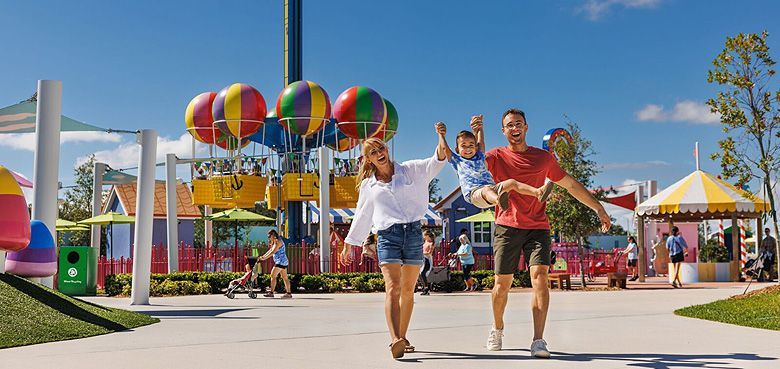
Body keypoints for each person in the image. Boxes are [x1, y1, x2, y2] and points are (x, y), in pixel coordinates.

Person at [481, 109, 611, 358]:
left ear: (526, 127)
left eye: (519, 124)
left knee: (540, 277)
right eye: (510, 125)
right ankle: (497, 328)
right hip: (507, 225)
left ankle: (538, 340)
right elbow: (474, 162)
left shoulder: (543, 158)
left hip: (538, 226)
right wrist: (477, 133)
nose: (515, 128)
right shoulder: (496, 156)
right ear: (503, 131)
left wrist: (598, 207)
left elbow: (570, 184)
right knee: (501, 284)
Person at [340, 134, 446, 359]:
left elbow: (435, 161)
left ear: (387, 150)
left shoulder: (410, 170)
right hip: (388, 236)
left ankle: (403, 338)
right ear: (368, 159)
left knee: (408, 290)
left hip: (414, 234)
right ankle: (394, 338)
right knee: (393, 287)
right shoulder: (369, 186)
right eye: (373, 152)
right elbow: (362, 215)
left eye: (381, 149)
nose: (379, 154)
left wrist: (441, 137)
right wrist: (349, 244)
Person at [436, 118, 543, 210]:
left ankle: (537, 192)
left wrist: (480, 128)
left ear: (475, 147)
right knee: (487, 190)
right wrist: (441, 135)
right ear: (457, 150)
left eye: (471, 145)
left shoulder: (479, 156)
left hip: (492, 189)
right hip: (474, 194)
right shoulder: (458, 161)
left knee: (512, 182)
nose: (468, 148)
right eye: (464, 146)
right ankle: (499, 200)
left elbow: (481, 142)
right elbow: (445, 149)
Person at [259, 230, 292, 298]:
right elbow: (270, 250)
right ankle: (288, 293)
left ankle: (271, 292)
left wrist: (264, 258)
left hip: (280, 261)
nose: (268, 238)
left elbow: (273, 252)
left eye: (269, 236)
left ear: (273, 235)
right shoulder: (274, 242)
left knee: (273, 275)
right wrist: (263, 256)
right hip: (282, 261)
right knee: (285, 277)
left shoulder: (278, 241)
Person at [419, 230, 435, 295]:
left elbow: (429, 253)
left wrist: (422, 253)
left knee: (423, 273)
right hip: (423, 259)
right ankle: (425, 287)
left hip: (427, 259)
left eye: (424, 235)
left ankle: (426, 288)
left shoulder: (431, 243)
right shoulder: (425, 242)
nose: (423, 236)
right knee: (420, 274)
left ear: (427, 235)